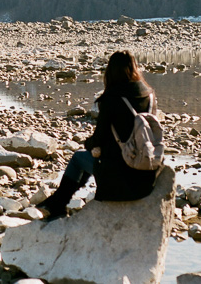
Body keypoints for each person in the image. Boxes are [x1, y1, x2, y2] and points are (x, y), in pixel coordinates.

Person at [36, 50, 159, 220]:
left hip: (121, 179)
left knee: (78, 158)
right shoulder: (150, 95)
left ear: (111, 72)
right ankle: (56, 203)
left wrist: (88, 144)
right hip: (148, 175)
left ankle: (57, 204)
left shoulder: (111, 99)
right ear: (135, 68)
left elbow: (99, 140)